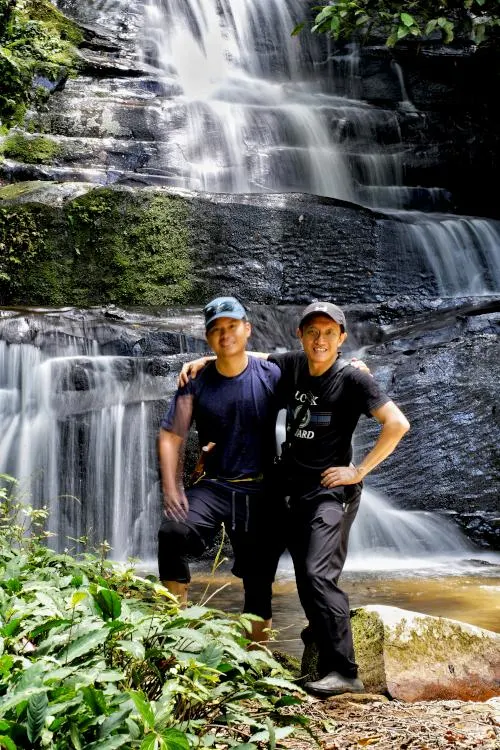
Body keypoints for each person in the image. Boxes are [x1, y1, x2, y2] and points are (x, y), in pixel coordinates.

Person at [181, 300, 410, 696]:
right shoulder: (292, 365)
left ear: (342, 338)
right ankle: (293, 658)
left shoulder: (354, 379)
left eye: (328, 333)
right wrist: (206, 359)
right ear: (300, 335)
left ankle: (345, 671)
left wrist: (358, 471)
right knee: (269, 572)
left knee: (318, 575)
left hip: (329, 493)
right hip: (286, 488)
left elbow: (397, 424)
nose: (319, 340)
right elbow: (252, 356)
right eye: (312, 332)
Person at [157, 296, 282, 643]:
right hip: (214, 486)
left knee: (259, 579)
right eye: (216, 330)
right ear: (208, 337)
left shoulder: (271, 375)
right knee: (172, 533)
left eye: (231, 327)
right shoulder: (196, 381)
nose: (224, 334)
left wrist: (353, 368)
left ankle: (258, 658)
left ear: (247, 329)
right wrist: (172, 487)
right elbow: (171, 434)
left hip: (259, 490)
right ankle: (174, 632)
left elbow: (317, 376)